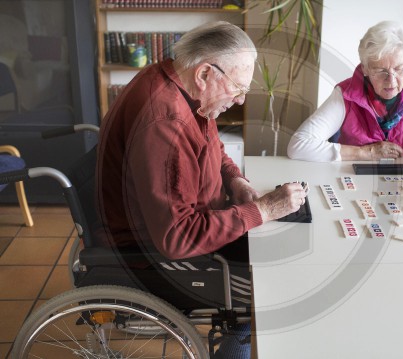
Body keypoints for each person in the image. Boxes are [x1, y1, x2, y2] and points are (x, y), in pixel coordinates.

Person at [96, 21, 307, 358]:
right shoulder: (166, 120)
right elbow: (177, 238)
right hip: (149, 256)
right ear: (206, 73)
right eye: (238, 87)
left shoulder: (179, 84)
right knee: (267, 288)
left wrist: (234, 180)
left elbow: (212, 147)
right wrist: (263, 210)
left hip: (187, 224)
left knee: (276, 247)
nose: (239, 100)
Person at [287, 20, 403, 210]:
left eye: (399, 69)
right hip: (355, 187)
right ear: (366, 69)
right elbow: (299, 145)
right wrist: (365, 153)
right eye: (381, 71)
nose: (391, 80)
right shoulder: (346, 93)